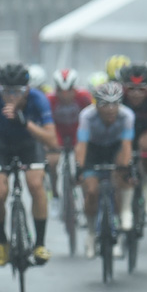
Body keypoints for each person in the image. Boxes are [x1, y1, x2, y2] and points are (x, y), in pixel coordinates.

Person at [0, 62, 58, 266]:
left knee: (36, 184)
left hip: (29, 143)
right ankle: (2, 241)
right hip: (1, 145)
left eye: (18, 92)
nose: (11, 97)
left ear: (27, 90)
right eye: (6, 91)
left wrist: (26, 123)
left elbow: (51, 139)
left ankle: (39, 243)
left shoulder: (38, 99)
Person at [75, 81, 135, 259]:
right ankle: (92, 233)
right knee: (92, 191)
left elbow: (126, 145)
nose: (110, 109)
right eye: (104, 104)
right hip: (93, 150)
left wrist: (126, 168)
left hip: (115, 149)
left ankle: (123, 214)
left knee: (121, 178)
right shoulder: (86, 116)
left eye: (114, 104)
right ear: (96, 104)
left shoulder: (127, 115)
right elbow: (82, 146)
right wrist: (79, 168)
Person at [118, 63, 147, 216]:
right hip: (122, 132)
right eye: (131, 88)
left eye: (142, 89)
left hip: (145, 130)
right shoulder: (118, 94)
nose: (136, 94)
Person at [45, 68, 92, 197]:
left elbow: (93, 117)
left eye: (69, 91)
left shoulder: (84, 97)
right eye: (61, 91)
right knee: (52, 161)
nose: (65, 95)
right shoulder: (49, 99)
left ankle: (84, 196)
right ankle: (54, 194)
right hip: (58, 132)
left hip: (77, 132)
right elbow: (44, 123)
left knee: (81, 162)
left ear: (75, 88)